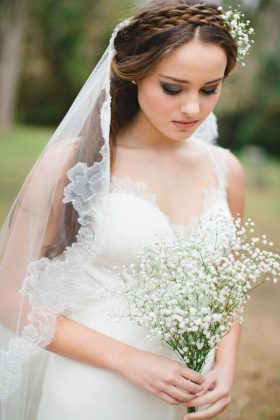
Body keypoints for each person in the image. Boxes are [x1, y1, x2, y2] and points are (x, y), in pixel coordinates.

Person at [0, 0, 251, 419]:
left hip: (182, 393)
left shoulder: (226, 169)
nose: (193, 108)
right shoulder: (74, 162)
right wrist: (129, 360)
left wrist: (224, 368)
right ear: (134, 74)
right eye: (173, 88)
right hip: (91, 391)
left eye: (210, 88)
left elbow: (229, 287)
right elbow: (8, 298)